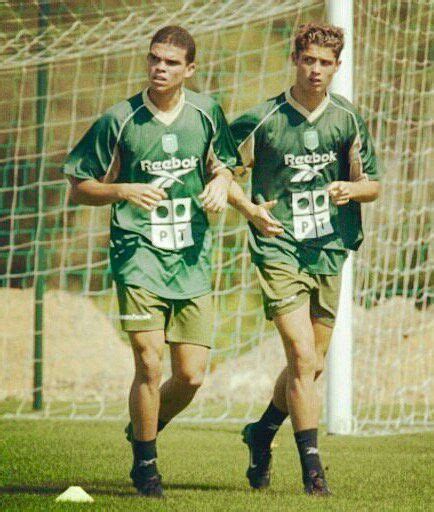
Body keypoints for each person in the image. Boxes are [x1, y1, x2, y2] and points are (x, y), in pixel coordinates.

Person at [62, 25, 238, 498]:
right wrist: (122, 189)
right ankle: (146, 467)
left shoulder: (205, 113)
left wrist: (221, 183)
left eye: (171, 62)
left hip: (193, 257)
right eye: (155, 59)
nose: (160, 68)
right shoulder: (119, 119)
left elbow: (224, 164)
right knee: (148, 362)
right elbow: (80, 186)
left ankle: (143, 428)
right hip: (137, 253)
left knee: (192, 375)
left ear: (190, 69)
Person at [228, 22, 381, 496]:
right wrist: (249, 210)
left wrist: (351, 188)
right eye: (308, 60)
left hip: (329, 246)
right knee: (300, 354)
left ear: (338, 66)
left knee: (311, 366)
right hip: (278, 246)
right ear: (295, 59)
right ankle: (313, 472)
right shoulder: (262, 118)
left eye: (325, 62)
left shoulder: (347, 119)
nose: (316, 70)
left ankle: (261, 432)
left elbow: (372, 183)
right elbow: (219, 172)